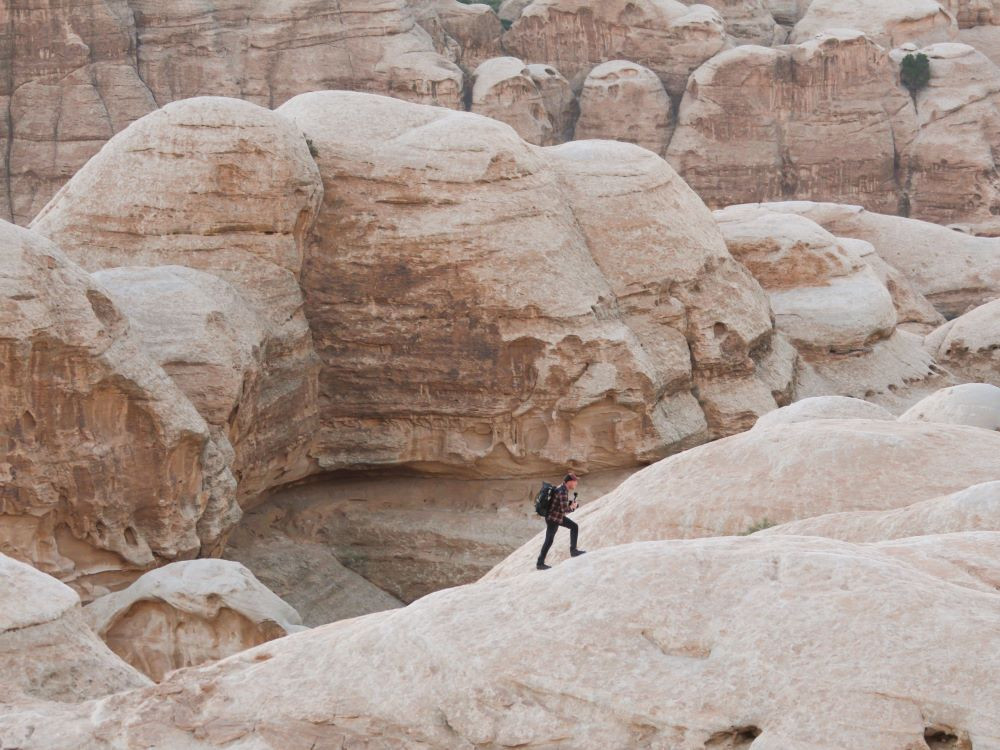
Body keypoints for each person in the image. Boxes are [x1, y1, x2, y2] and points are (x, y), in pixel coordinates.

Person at [537, 472, 586, 570]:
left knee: (572, 527)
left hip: (555, 517)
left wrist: (570, 505)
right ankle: (540, 563)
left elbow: (560, 504)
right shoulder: (563, 491)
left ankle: (573, 550)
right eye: (575, 481)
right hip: (553, 518)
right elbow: (564, 509)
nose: (576, 484)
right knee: (549, 540)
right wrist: (572, 507)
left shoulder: (562, 488)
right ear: (570, 482)